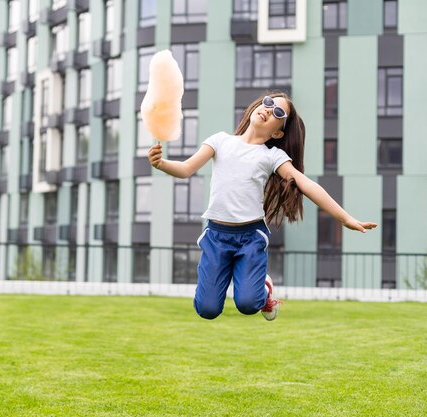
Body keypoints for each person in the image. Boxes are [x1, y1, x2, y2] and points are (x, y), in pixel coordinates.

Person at [147, 92, 377, 321]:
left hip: (250, 237)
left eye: (278, 112)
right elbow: (186, 169)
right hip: (216, 235)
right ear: (256, 107)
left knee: (248, 304)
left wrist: (345, 218)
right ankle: (238, 286)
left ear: (278, 132)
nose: (268, 109)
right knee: (207, 310)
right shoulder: (220, 141)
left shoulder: (272, 156)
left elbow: (306, 184)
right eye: (267, 103)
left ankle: (264, 288)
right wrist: (161, 163)